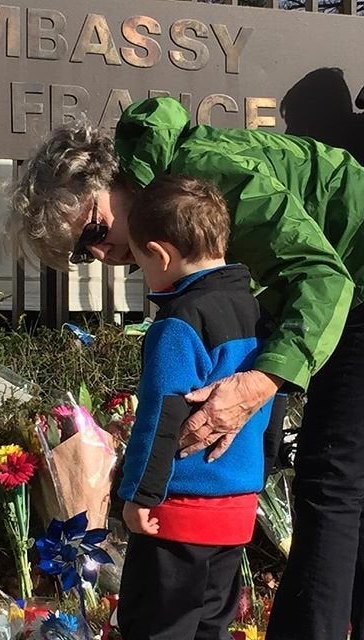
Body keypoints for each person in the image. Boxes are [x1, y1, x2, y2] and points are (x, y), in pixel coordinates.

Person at [9, 95, 364, 640]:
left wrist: (259, 383)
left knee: (332, 475)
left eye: (92, 230)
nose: (101, 253)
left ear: (111, 179)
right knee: (352, 478)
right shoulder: (177, 202)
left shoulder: (202, 177)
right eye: (84, 254)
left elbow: (322, 277)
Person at [116, 174, 279, 640]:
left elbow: (159, 416)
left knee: (156, 627)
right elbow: (273, 400)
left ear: (161, 253)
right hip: (235, 513)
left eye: (141, 262)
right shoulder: (258, 311)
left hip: (178, 513)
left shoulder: (178, 324)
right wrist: (258, 473)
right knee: (212, 626)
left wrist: (137, 496)